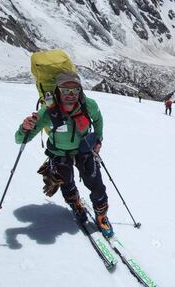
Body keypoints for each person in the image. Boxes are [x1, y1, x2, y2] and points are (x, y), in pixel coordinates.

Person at [15, 72, 114, 238]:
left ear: (80, 91)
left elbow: (97, 119)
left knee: (96, 183)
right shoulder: (48, 113)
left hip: (85, 148)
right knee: (66, 181)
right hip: (59, 151)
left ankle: (101, 214)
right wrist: (25, 128)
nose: (70, 94)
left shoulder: (88, 105)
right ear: (57, 90)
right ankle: (75, 202)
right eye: (65, 90)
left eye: (75, 90)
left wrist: (98, 139)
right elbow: (20, 139)